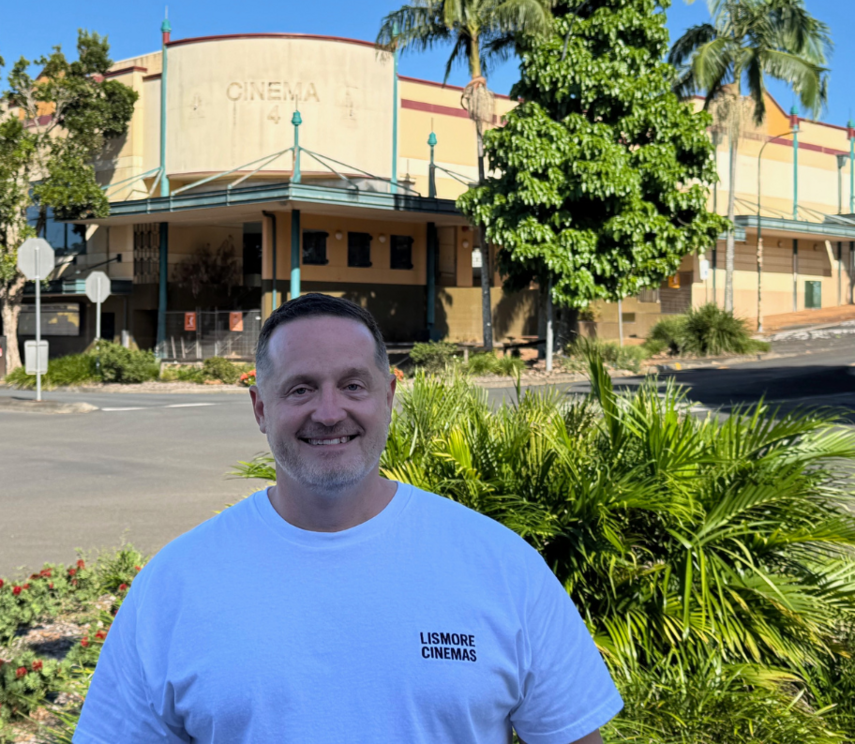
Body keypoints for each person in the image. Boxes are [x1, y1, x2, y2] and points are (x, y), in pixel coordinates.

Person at [75, 293, 622, 743]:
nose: (330, 411)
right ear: (261, 409)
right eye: (301, 389)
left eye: (353, 385)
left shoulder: (499, 565)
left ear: (389, 397)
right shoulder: (176, 583)